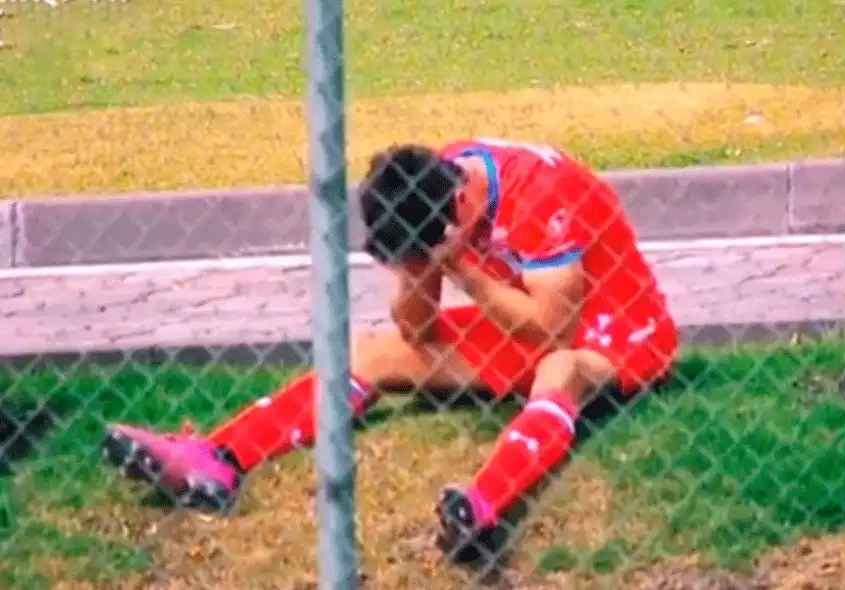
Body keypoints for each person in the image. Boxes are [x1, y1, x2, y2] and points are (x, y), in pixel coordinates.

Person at [100, 137, 678, 564]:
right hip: (517, 321)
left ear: (460, 203)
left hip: (618, 327)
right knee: (374, 354)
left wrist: (464, 273)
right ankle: (220, 460)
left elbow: (553, 329)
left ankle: (482, 506)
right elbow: (417, 331)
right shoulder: (428, 198)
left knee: (560, 367)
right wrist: (420, 269)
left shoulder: (539, 193)